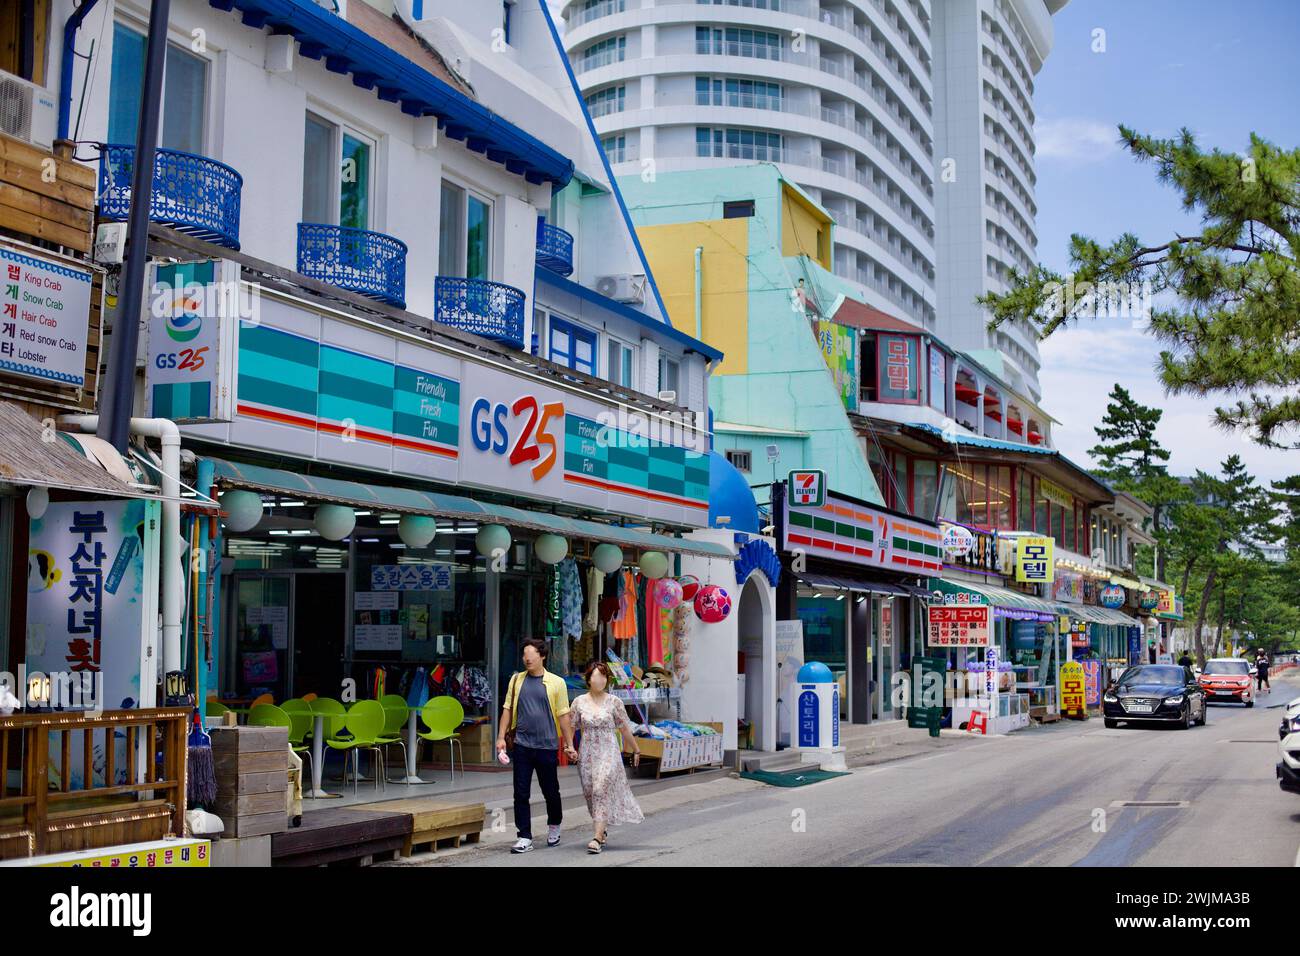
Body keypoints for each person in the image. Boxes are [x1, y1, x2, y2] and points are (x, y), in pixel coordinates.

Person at [497, 639, 575, 854]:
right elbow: (507, 709)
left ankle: (554, 825)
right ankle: (524, 836)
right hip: (522, 745)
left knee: (550, 791)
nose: (527, 659)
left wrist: (569, 744)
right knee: (520, 793)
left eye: (531, 655)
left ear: (542, 656)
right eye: (524, 655)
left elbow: (563, 716)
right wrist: (501, 737)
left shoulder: (556, 682)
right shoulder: (516, 680)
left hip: (547, 746)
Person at [568, 661, 644, 854]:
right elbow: (571, 726)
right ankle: (602, 831)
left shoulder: (614, 702)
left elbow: (624, 727)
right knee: (591, 791)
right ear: (588, 679)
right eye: (596, 676)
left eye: (603, 676)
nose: (600, 680)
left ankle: (595, 838)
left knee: (601, 787)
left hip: (609, 750)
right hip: (587, 753)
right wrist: (569, 746)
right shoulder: (579, 702)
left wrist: (636, 749)